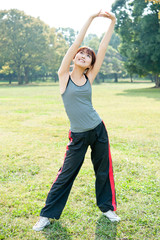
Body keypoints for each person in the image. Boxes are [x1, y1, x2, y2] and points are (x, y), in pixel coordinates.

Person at [33, 10, 120, 232]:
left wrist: (112, 22)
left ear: (91, 64)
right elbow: (76, 43)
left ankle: (107, 208)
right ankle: (46, 215)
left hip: (98, 129)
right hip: (78, 135)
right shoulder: (64, 75)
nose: (82, 55)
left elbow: (102, 48)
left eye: (87, 55)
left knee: (103, 170)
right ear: (74, 57)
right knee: (66, 174)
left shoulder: (90, 77)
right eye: (80, 53)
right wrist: (91, 19)